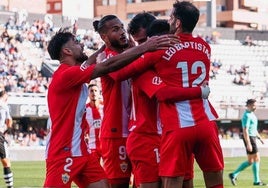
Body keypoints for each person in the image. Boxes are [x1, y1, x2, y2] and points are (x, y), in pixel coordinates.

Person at [44, 27, 176, 187]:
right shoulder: (65, 75)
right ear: (67, 51)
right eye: (76, 43)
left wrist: (105, 45)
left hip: (82, 152)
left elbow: (88, 63)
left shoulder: (73, 73)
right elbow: (106, 66)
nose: (82, 45)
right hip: (62, 152)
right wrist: (145, 47)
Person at [105, 18, 210, 188]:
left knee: (186, 183)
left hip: (175, 131)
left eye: (147, 40)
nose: (145, 45)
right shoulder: (141, 68)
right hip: (146, 136)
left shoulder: (175, 63)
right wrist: (199, 92)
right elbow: (162, 93)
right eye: (141, 42)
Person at [229, 99, 266, 186]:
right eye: (254, 105)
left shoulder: (252, 114)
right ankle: (256, 181)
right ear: (249, 105)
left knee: (250, 161)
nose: (256, 107)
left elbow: (253, 128)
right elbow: (245, 130)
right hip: (249, 138)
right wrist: (248, 143)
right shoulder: (246, 116)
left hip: (253, 138)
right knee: (257, 158)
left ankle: (233, 175)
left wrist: (259, 138)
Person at [85, 83, 103, 161]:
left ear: (99, 93)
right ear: (88, 94)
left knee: (108, 171)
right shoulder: (85, 109)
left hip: (105, 145)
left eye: (96, 91)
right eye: (91, 91)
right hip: (92, 145)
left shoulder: (105, 106)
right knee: (95, 172)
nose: (94, 93)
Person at [0, 89, 14, 188]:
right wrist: (7, 130)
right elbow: (9, 121)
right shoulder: (4, 105)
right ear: (4, 96)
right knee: (6, 161)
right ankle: (10, 186)